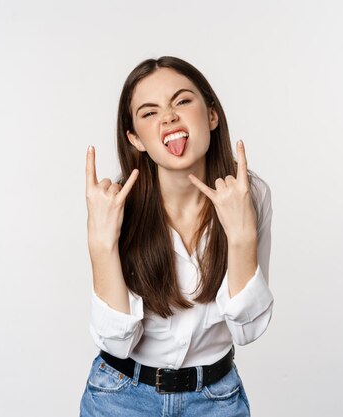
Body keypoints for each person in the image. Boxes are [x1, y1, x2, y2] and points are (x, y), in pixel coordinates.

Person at [80, 56, 273, 417]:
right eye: (149, 112)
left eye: (182, 101)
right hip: (120, 397)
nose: (169, 117)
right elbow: (116, 342)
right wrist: (102, 243)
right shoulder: (117, 204)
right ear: (135, 138)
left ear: (212, 116)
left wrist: (241, 234)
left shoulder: (250, 194)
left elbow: (248, 329)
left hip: (215, 400)